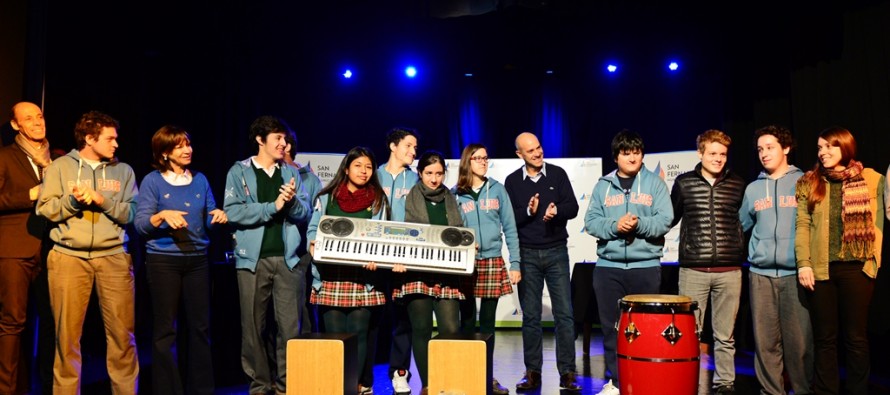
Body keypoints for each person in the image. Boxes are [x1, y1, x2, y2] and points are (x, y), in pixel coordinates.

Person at [35, 111, 140, 395]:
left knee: (122, 337)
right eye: (110, 138)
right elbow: (45, 208)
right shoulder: (60, 167)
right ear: (90, 139)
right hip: (69, 257)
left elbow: (133, 212)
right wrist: (72, 201)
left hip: (114, 257)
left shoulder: (124, 171)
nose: (116, 144)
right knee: (66, 338)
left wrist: (102, 200)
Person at [134, 125, 227, 395]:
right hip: (164, 260)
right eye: (179, 146)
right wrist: (162, 216)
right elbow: (141, 225)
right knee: (166, 330)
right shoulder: (153, 181)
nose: (188, 150)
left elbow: (209, 219)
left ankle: (201, 389)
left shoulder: (199, 179)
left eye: (188, 144)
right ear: (164, 153)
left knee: (200, 327)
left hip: (198, 260)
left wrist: (217, 217)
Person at [223, 115, 311, 395]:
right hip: (252, 261)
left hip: (288, 262)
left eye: (285, 139)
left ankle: (287, 385)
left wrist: (292, 201)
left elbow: (304, 214)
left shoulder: (291, 173)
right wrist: (272, 206)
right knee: (254, 328)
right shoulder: (239, 172)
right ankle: (260, 385)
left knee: (289, 328)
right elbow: (234, 212)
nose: (284, 144)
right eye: (278, 139)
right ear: (261, 140)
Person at [795, 127, 884, 395]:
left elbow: (879, 223)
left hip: (857, 268)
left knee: (856, 338)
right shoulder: (810, 181)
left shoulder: (872, 179)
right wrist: (804, 263)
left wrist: (874, 261)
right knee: (825, 339)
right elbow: (802, 224)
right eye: (820, 148)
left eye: (829, 147)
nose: (822, 152)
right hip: (821, 270)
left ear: (844, 146)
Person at [584, 130, 673, 395]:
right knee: (612, 330)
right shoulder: (603, 185)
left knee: (645, 330)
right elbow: (591, 222)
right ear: (616, 157)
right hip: (608, 268)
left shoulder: (655, 184)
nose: (632, 157)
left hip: (645, 266)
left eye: (636, 152)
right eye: (626, 153)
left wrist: (639, 225)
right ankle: (617, 382)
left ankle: (644, 381)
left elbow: (665, 219)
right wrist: (614, 225)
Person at [307, 146, 391, 395]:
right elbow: (313, 230)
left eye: (368, 167)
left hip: (363, 278)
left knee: (358, 333)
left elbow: (382, 235)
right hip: (331, 276)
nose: (364, 171)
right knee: (334, 335)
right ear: (346, 168)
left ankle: (354, 384)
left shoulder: (377, 200)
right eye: (358, 166)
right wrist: (313, 245)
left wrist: (377, 257)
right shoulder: (327, 197)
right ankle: (336, 383)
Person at [669, 129, 746, 395]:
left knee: (725, 335)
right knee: (690, 333)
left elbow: (744, 222)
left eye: (723, 154)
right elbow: (669, 218)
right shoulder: (683, 183)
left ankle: (725, 383)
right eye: (712, 153)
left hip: (730, 270)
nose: (718, 159)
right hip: (693, 269)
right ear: (700, 154)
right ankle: (686, 380)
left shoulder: (738, 184)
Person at [739, 125, 813, 395]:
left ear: (786, 148)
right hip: (760, 275)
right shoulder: (753, 189)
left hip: (796, 275)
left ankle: (803, 390)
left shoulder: (804, 181)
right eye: (760, 149)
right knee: (766, 342)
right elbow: (742, 225)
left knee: (800, 343)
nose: (764, 154)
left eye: (770, 147)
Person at [504, 132, 581, 392]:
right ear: (519, 155)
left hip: (556, 251)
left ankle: (568, 372)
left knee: (564, 315)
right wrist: (529, 211)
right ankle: (532, 373)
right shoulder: (512, 181)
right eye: (530, 151)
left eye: (539, 148)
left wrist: (557, 210)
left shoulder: (557, 174)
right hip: (527, 254)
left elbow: (573, 207)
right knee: (531, 318)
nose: (537, 153)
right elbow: (510, 217)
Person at [394, 150, 464, 395]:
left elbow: (459, 230)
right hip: (416, 271)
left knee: (450, 330)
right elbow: (399, 231)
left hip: (445, 272)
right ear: (420, 173)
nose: (434, 179)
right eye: (429, 173)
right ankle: (427, 384)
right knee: (421, 329)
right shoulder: (409, 198)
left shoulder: (451, 198)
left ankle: (446, 378)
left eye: (439, 173)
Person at [454, 143, 521, 395]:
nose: (483, 162)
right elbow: (452, 232)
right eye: (477, 158)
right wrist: (466, 243)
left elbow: (510, 229)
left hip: (492, 260)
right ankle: (467, 373)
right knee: (468, 320)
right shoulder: (456, 193)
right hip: (467, 264)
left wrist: (515, 263)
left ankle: (487, 375)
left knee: (488, 325)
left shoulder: (498, 190)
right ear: (467, 162)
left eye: (485, 157)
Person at [0, 101, 53, 395]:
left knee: (51, 323)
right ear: (16, 125)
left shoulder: (55, 161)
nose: (37, 122)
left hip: (51, 252)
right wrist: (29, 195)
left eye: (40, 116)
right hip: (14, 250)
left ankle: (46, 387)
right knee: (13, 324)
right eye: (28, 118)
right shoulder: (5, 157)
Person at [378, 128, 419, 395]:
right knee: (372, 320)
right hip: (374, 258)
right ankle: (361, 378)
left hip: (404, 260)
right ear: (393, 146)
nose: (413, 152)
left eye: (416, 147)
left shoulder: (416, 179)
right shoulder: (373, 174)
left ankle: (400, 373)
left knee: (403, 319)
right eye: (408, 146)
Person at [284, 129, 322, 335]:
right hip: (271, 253)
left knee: (304, 310)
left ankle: (308, 360)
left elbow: (314, 219)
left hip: (301, 255)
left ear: (287, 145)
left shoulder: (311, 180)